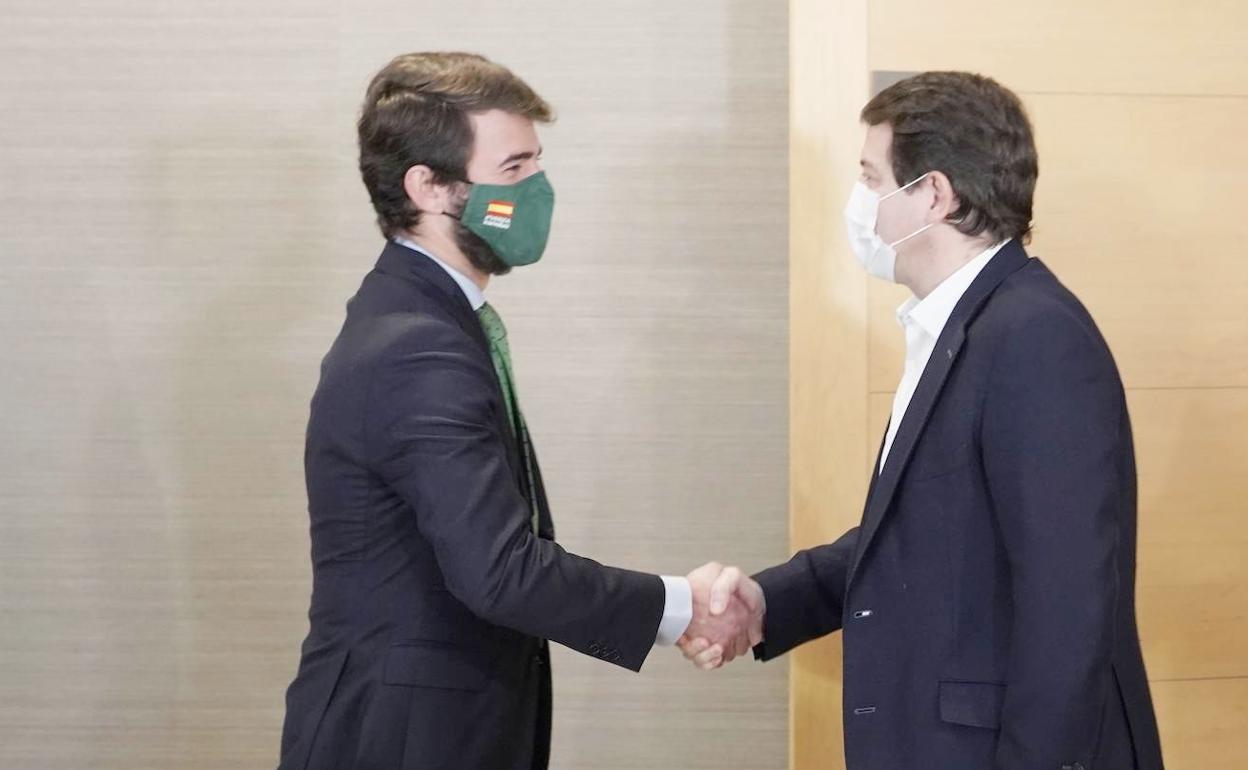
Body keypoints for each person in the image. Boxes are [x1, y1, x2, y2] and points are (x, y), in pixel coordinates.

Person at [275, 52, 751, 770]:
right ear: (428, 187)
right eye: (513, 169)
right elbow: (500, 572)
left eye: (537, 164)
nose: (535, 191)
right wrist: (680, 606)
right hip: (402, 739)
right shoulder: (415, 345)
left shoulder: (426, 318)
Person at [680, 71, 1165, 770]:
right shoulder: (964, 326)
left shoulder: (1035, 336)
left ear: (934, 194)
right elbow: (922, 536)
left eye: (871, 178)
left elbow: (1067, 603)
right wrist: (765, 603)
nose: (860, 203)